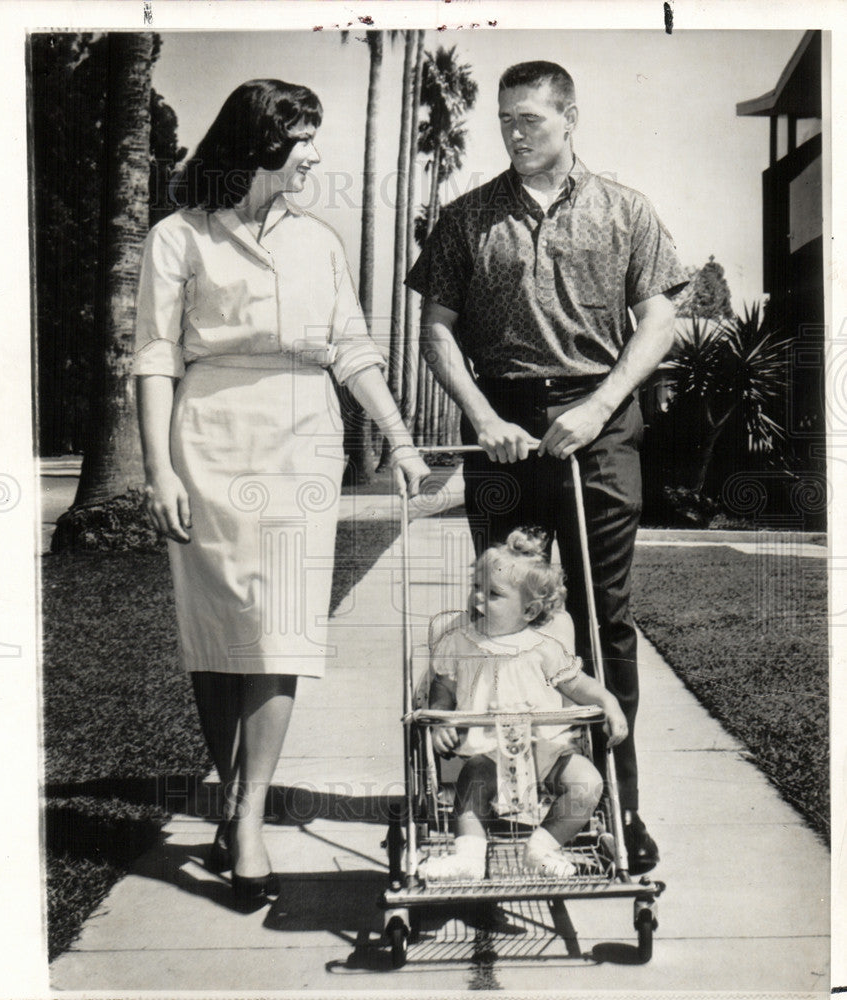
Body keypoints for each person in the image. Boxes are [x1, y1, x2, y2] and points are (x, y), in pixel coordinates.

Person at [133, 79, 429, 909]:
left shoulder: (318, 243)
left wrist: (399, 438)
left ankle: (251, 812)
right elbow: (156, 359)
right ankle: (231, 795)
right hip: (209, 440)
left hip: (303, 445)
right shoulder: (179, 237)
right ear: (260, 142)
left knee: (282, 629)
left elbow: (353, 348)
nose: (314, 154)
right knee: (220, 625)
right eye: (303, 138)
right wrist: (158, 470)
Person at [406, 61, 688, 873]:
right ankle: (490, 793)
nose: (514, 132)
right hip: (502, 431)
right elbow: (437, 330)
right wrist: (485, 417)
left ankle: (615, 805)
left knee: (605, 621)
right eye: (504, 120)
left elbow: (659, 318)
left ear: (569, 117)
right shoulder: (467, 218)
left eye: (529, 118)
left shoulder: (625, 210)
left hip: (596, 427)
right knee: (503, 614)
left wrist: (599, 405)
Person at [417, 529, 628, 882]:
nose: (478, 599)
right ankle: (468, 856)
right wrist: (443, 721)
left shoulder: (544, 648)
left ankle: (542, 847)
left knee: (587, 783)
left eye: (494, 594)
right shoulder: (458, 642)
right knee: (473, 783)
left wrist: (607, 701)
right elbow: (443, 688)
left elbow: (577, 685)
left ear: (529, 609)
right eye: (476, 587)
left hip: (545, 747)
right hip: (488, 749)